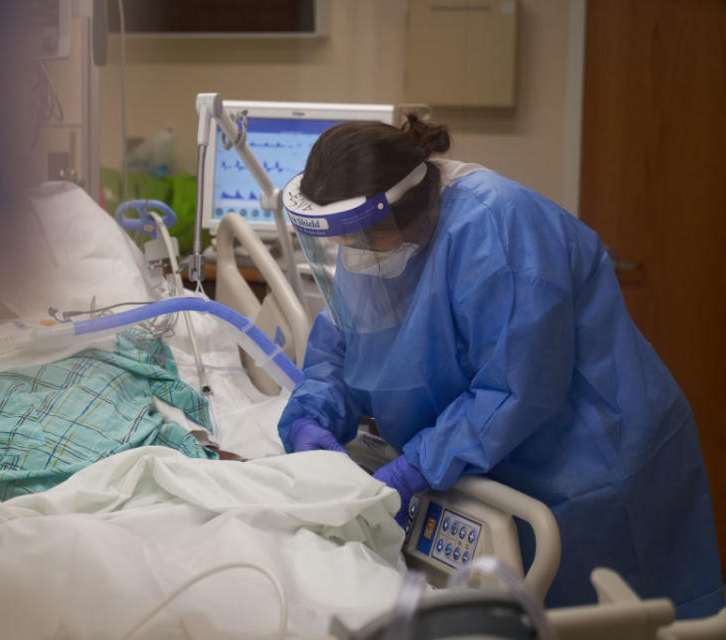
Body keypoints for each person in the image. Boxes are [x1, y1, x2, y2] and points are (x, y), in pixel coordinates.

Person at [277, 116, 724, 617]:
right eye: (345, 243)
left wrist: (420, 465)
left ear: (411, 209)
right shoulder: (373, 241)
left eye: (364, 238)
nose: (354, 255)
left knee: (623, 618)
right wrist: (312, 414)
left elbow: (515, 388)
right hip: (495, 463)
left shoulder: (497, 229)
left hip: (593, 462)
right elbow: (344, 340)